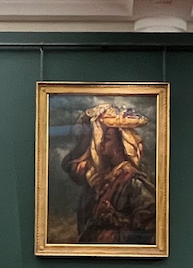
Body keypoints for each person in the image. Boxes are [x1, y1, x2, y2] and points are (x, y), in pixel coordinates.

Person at [61, 104, 156, 245]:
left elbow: (148, 228)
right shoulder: (104, 179)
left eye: (107, 139)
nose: (101, 144)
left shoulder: (134, 182)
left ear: (120, 145)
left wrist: (115, 219)